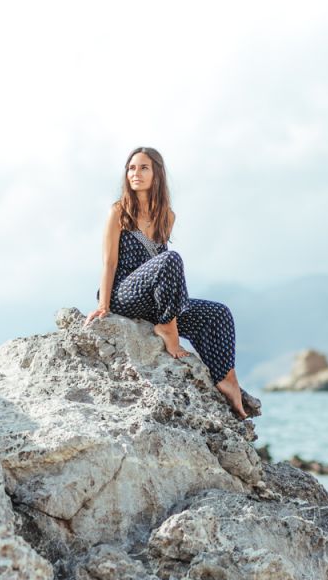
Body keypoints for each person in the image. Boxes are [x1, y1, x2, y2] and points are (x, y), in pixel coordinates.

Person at [83, 146, 255, 420]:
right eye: (131, 168)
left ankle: (228, 379)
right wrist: (103, 305)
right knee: (171, 259)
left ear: (157, 174)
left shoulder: (167, 216)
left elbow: (164, 273)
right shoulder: (118, 212)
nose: (135, 173)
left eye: (143, 168)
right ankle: (168, 328)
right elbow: (109, 263)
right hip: (123, 294)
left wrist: (173, 304)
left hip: (154, 301)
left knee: (218, 312)